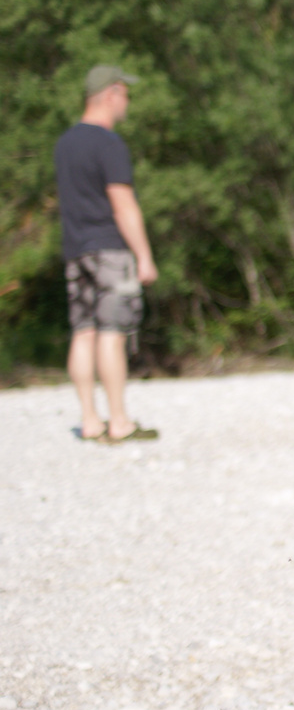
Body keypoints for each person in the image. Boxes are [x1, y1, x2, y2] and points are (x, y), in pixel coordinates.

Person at [55, 64, 159, 443]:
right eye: (125, 94)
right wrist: (144, 255)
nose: (127, 102)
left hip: (75, 249)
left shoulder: (65, 144)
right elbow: (123, 204)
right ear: (111, 93)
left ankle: (89, 420)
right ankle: (118, 421)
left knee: (83, 333)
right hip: (110, 249)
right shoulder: (108, 143)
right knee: (112, 335)